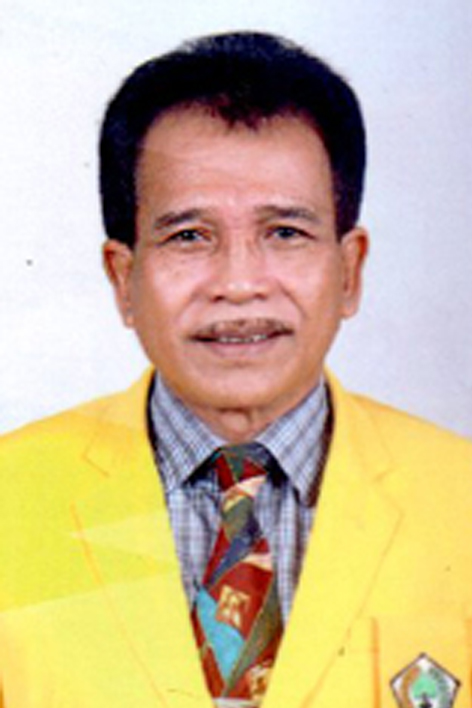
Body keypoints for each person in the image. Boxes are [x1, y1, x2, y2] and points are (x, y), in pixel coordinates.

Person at [0, 31, 471, 708]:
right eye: (189, 236)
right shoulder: (9, 499)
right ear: (123, 279)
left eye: (285, 233)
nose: (240, 284)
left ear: (350, 271)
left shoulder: (461, 497)